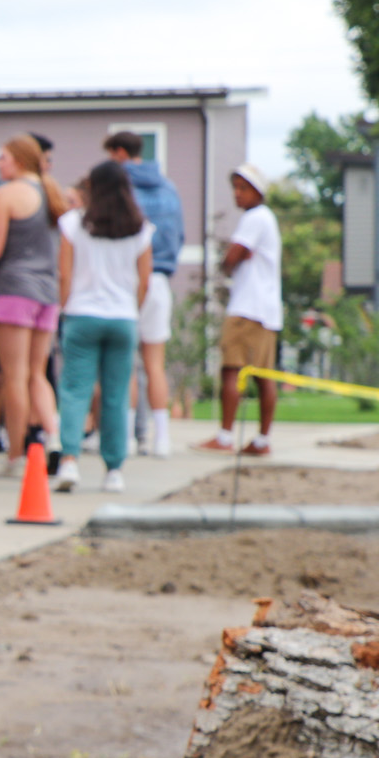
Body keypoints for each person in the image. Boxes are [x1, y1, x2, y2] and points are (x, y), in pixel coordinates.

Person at [53, 161, 153, 494]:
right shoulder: (139, 228)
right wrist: (132, 309)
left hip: (82, 313)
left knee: (75, 390)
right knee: (115, 394)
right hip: (122, 317)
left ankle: (69, 460)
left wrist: (65, 307)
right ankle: (113, 469)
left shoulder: (73, 224)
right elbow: (145, 281)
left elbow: (64, 275)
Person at [0, 134, 69, 480]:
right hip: (47, 293)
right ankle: (54, 438)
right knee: (37, 374)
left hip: (14, 291)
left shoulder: (7, 194)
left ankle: (15, 456)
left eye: (3, 158)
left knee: (14, 376)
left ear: (18, 160)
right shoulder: (52, 192)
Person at [104, 131, 184, 457]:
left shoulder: (120, 187)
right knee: (155, 364)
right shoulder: (169, 187)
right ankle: (161, 438)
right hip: (161, 278)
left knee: (125, 363)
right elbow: (179, 235)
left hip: (128, 279)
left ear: (120, 153)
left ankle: (125, 437)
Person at [196, 164, 283, 456]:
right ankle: (262, 441)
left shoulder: (254, 218)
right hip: (267, 310)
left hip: (247, 307)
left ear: (258, 192)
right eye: (235, 188)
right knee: (264, 375)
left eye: (243, 188)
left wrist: (227, 262)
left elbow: (232, 257)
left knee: (231, 370)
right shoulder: (267, 219)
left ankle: (224, 436)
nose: (237, 194)